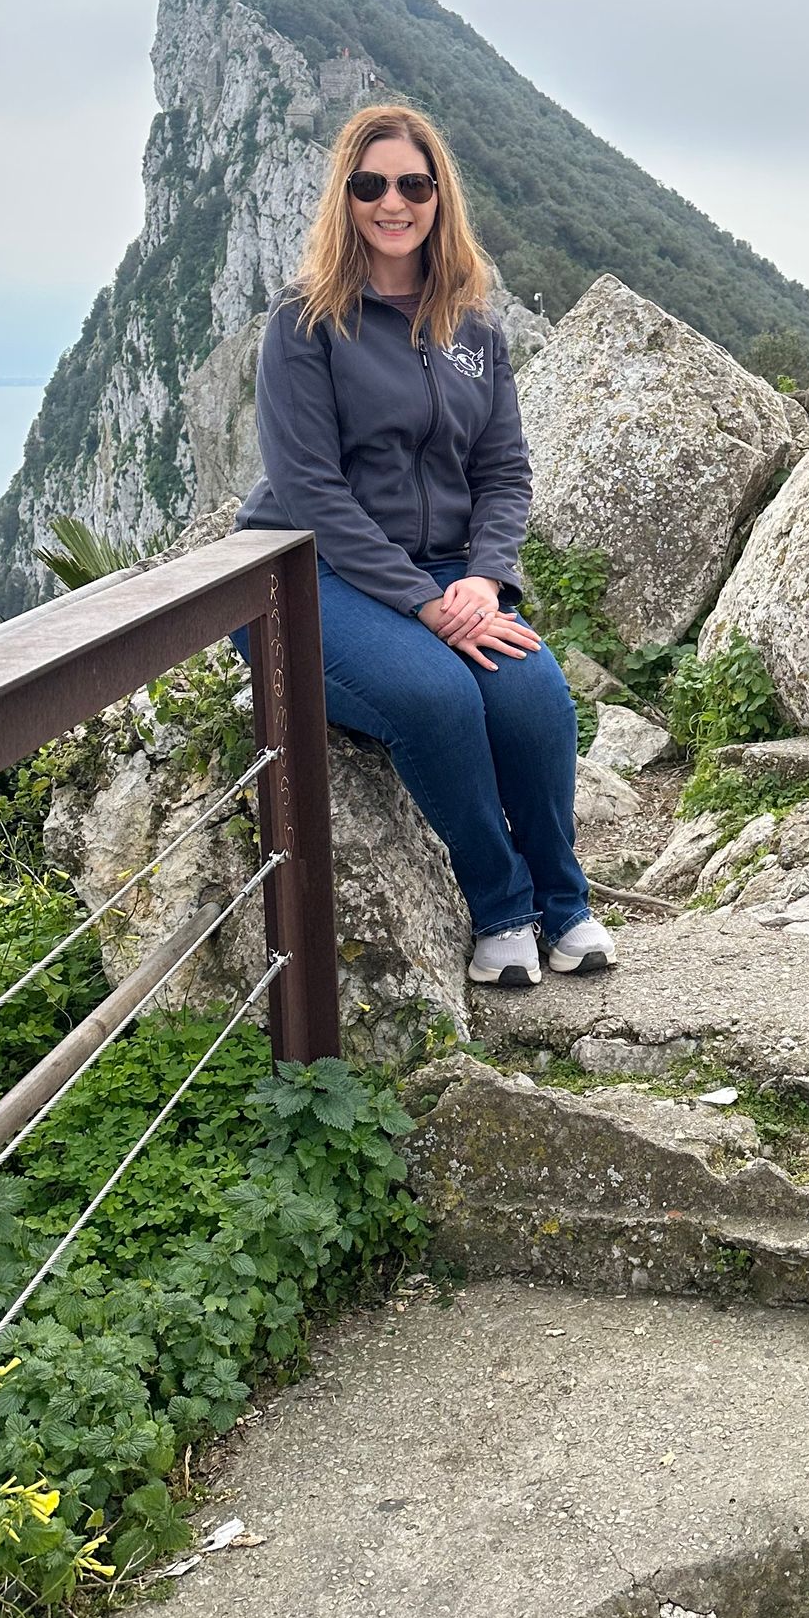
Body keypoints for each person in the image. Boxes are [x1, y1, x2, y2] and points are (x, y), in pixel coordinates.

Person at [234, 102, 613, 988]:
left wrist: (484, 580)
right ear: (346, 198)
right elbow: (311, 492)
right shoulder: (303, 325)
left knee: (535, 695)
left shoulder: (472, 325)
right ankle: (502, 909)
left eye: (413, 184)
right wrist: (427, 604)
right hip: (309, 572)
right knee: (437, 695)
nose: (392, 202)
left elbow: (504, 472)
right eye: (371, 186)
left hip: (448, 574)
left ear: (439, 195)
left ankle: (567, 905)